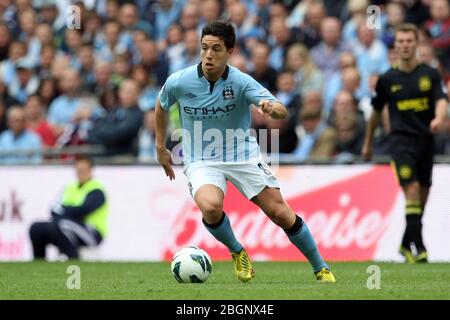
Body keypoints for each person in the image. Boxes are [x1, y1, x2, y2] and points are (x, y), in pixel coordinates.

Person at [155, 21, 336, 283]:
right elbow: (161, 107)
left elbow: (281, 109)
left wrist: (272, 108)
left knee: (280, 213)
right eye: (204, 48)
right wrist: (161, 148)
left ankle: (321, 268)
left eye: (216, 49)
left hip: (242, 155)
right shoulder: (180, 81)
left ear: (230, 52)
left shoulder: (240, 81)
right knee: (211, 206)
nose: (208, 55)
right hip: (201, 159)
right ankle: (237, 251)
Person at [362, 24, 449, 263]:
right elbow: (376, 113)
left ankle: (404, 244)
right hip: (400, 143)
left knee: (422, 196)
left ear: (417, 43)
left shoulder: (430, 74)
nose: (405, 45)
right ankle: (418, 247)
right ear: (396, 46)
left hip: (426, 141)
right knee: (411, 191)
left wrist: (439, 118)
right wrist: (368, 143)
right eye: (400, 42)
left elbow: (441, 99)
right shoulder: (388, 79)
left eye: (409, 41)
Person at [29, 156, 108, 259]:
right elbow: (53, 209)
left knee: (62, 224)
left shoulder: (96, 190)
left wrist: (65, 210)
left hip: (91, 232)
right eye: (79, 170)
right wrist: (69, 211)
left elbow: (83, 210)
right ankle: (39, 263)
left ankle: (73, 259)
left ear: (90, 170)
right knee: (36, 228)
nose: (81, 173)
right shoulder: (69, 188)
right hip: (66, 225)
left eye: (84, 170)